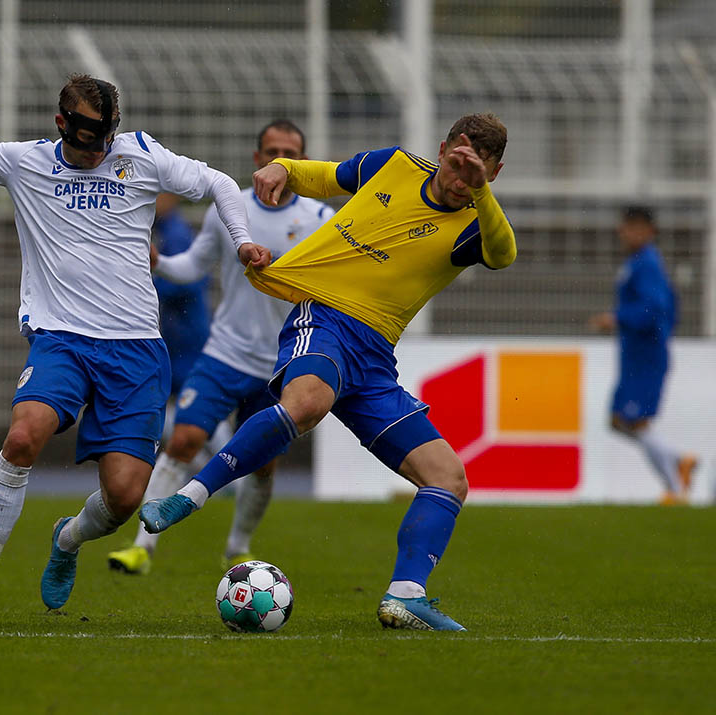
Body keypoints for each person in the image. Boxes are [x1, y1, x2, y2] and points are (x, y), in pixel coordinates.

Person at [0, 62, 270, 613]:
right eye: (88, 143)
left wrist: (243, 241)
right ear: (61, 123)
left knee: (124, 498)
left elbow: (219, 184)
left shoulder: (139, 155)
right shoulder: (25, 163)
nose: (98, 154)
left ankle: (67, 540)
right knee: (23, 437)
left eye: (105, 143)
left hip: (135, 347)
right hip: (61, 338)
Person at [140, 114, 517, 631]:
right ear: (442, 148)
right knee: (308, 402)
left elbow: (504, 254)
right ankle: (188, 497)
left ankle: (405, 596)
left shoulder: (476, 224)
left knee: (449, 478)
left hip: (376, 358)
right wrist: (285, 170)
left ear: (492, 174)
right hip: (325, 317)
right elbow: (328, 176)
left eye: (474, 173)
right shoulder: (396, 165)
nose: (459, 178)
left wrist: (480, 196)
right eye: (455, 163)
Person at [107, 120, 333, 575]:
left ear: (303, 164)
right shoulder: (228, 210)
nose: (278, 159)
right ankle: (142, 547)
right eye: (270, 150)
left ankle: (238, 546)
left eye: (289, 153)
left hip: (282, 361)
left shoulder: (320, 221)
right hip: (224, 352)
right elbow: (195, 265)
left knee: (263, 465)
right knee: (185, 439)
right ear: (256, 159)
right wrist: (161, 263)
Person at [590, 206, 695, 504]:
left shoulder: (647, 263)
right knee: (618, 420)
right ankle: (678, 462)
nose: (630, 233)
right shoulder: (637, 263)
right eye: (627, 226)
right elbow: (670, 303)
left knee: (633, 421)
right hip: (634, 354)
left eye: (638, 227)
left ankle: (675, 485)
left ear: (651, 232)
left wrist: (618, 318)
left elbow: (655, 308)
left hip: (645, 355)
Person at [152, 193, 212, 397]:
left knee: (189, 400)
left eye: (156, 194)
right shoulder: (165, 229)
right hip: (180, 330)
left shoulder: (175, 233)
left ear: (170, 196)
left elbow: (187, 282)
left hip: (186, 331)